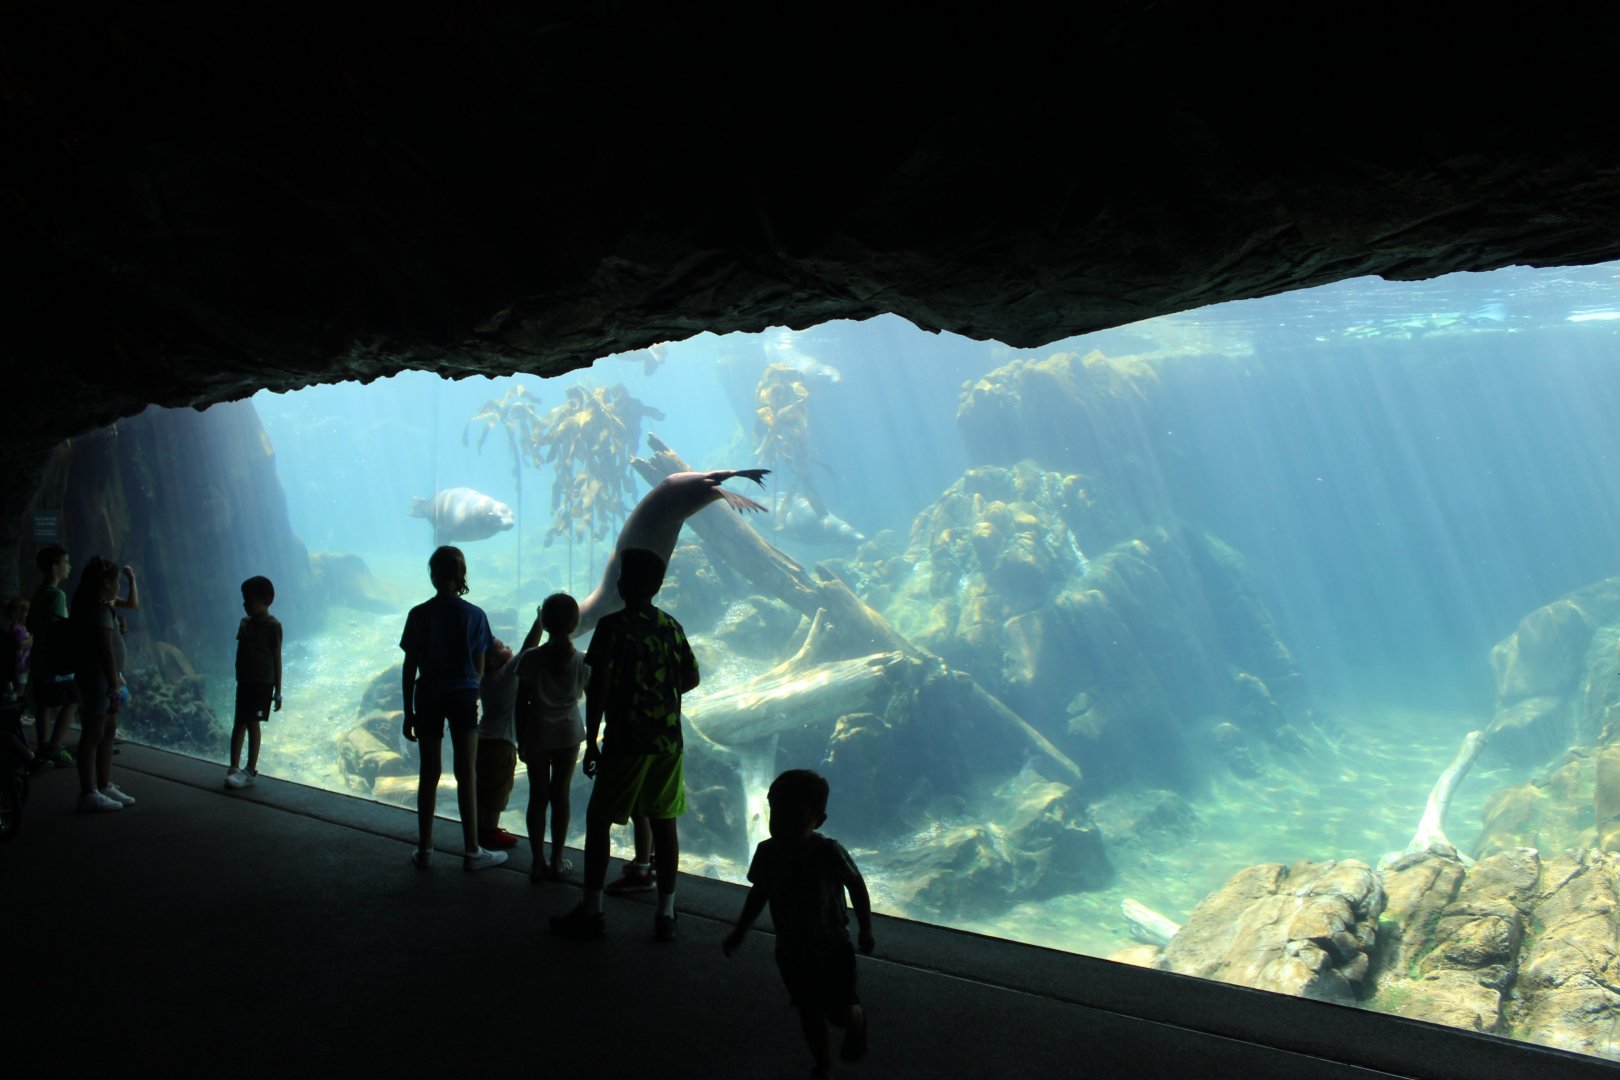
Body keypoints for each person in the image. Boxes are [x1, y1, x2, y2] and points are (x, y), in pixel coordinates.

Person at [551, 548, 697, 941]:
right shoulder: (671, 626)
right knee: (665, 825)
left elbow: (598, 687)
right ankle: (666, 913)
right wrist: (660, 694)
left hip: (626, 740)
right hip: (667, 742)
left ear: (620, 585)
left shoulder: (613, 627)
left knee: (599, 822)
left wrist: (594, 738)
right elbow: (692, 677)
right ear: (658, 586)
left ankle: (592, 908)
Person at [722, 769, 875, 1079]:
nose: (781, 821)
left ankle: (857, 1022)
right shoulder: (767, 851)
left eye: (793, 814)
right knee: (808, 1008)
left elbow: (856, 886)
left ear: (818, 820)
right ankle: (822, 1063)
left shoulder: (829, 851)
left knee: (839, 1012)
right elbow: (759, 892)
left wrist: (866, 928)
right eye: (776, 811)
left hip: (833, 948)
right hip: (791, 949)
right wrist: (740, 929)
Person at [399, 545, 505, 871]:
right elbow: (479, 667)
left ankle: (425, 848)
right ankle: (472, 850)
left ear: (432, 575)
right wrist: (469, 683)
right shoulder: (475, 615)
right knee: (466, 773)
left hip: (428, 695)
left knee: (428, 773)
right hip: (462, 698)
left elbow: (409, 666)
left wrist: (408, 711)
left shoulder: (418, 614)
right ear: (461, 576)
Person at [516, 592, 589, 883]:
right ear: (574, 625)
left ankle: (536, 861)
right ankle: (557, 860)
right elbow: (592, 697)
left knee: (538, 796)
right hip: (569, 734)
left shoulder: (530, 659)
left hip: (536, 733)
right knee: (561, 795)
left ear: (543, 622)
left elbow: (521, 704)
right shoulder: (583, 661)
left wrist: (520, 739)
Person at [71, 557, 133, 812]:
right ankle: (88, 792)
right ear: (106, 582)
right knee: (93, 735)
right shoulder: (97, 610)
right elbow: (106, 651)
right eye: (117, 580)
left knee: (107, 731)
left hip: (103, 681)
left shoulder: (96, 607)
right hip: (99, 682)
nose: (118, 584)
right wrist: (114, 686)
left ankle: (104, 784)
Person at [475, 635, 534, 851]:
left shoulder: (484, 678)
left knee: (481, 789)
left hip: (480, 741)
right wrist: (539, 621)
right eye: (502, 647)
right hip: (500, 744)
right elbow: (528, 648)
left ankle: (480, 828)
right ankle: (489, 832)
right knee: (497, 790)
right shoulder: (505, 675)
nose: (509, 647)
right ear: (492, 660)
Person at [225, 576, 282, 789]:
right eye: (244, 599)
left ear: (265, 600)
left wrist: (278, 691)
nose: (245, 604)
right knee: (239, 721)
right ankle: (233, 766)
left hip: (261, 683)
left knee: (252, 723)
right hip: (245, 681)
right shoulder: (244, 622)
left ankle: (250, 770)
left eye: (249, 600)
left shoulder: (274, 626)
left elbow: (277, 658)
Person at [26, 545, 77, 768]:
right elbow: (60, 629)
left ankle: (43, 748)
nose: (69, 567)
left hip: (38, 658)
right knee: (74, 699)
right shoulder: (58, 595)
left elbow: (30, 624)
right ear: (55, 567)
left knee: (44, 704)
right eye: (66, 562)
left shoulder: (39, 592)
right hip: (55, 662)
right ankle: (54, 748)